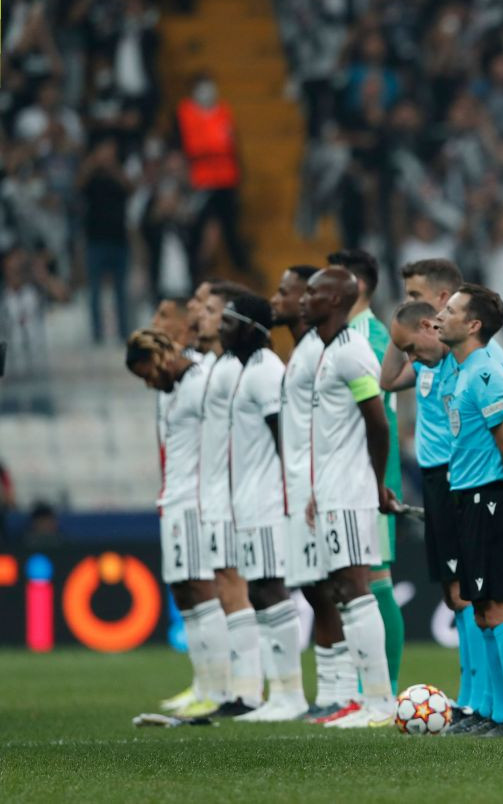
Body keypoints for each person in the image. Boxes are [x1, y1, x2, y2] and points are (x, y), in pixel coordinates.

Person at [381, 257, 503, 732]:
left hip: (480, 487)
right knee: (468, 598)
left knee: (493, 597)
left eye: (418, 293)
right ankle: (482, 703)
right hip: (456, 484)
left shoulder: (483, 366)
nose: (414, 302)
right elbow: (388, 381)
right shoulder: (445, 363)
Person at [436, 283, 503, 737]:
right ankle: (495, 713)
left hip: (492, 498)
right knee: (481, 610)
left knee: (499, 607)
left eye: (451, 310)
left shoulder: (484, 375)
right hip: (471, 499)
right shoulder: (464, 371)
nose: (441, 315)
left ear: (473, 325)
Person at [299, 267, 397, 728]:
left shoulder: (353, 350)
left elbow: (377, 422)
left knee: (357, 590)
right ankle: (364, 700)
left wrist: (375, 484)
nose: (304, 298)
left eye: (314, 292)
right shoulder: (326, 350)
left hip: (353, 490)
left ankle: (378, 701)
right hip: (333, 490)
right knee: (343, 590)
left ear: (337, 299)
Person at [125, 329, 229, 717]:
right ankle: (203, 683)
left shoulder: (202, 380)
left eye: (148, 372)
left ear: (162, 356)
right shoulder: (176, 389)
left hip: (197, 500)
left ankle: (219, 688)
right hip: (175, 500)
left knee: (203, 589)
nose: (150, 382)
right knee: (184, 593)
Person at [270, 264, 356, 720]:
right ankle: (330, 692)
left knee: (332, 589)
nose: (282, 300)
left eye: (289, 292)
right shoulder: (306, 351)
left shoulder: (324, 351)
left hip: (322, 486)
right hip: (302, 487)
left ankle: (344, 691)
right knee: (315, 589)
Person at [220, 294, 306, 722]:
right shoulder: (249, 369)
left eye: (229, 321)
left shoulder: (267, 371)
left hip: (270, 498)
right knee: (258, 590)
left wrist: (290, 494)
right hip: (251, 499)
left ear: (252, 328)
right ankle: (280, 693)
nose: (220, 328)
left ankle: (290, 694)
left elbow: (284, 436)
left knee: (270, 587)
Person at [326, 248, 405, 694]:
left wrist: (381, 480)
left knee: (375, 582)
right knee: (352, 585)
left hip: (370, 479)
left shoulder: (369, 338)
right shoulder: (345, 337)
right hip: (348, 480)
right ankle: (359, 687)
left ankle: (382, 688)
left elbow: (381, 420)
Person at [195, 281, 261, 717]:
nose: (202, 315)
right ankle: (235, 689)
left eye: (211, 308)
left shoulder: (237, 369)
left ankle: (248, 691)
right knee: (225, 585)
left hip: (236, 491)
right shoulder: (216, 367)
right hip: (218, 489)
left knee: (235, 584)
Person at [175, 71, 248, 272]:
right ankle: (199, 269)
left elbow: (232, 145)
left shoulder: (222, 111)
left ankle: (240, 267)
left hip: (227, 180)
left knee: (228, 229)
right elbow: (184, 147)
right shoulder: (185, 112)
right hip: (201, 181)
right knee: (204, 228)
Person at [78, 136, 134, 343]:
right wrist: (93, 164)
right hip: (95, 240)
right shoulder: (90, 176)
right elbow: (78, 186)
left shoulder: (119, 173)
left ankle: (123, 333)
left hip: (119, 240)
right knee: (94, 291)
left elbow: (130, 188)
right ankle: (97, 335)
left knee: (121, 290)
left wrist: (113, 168)